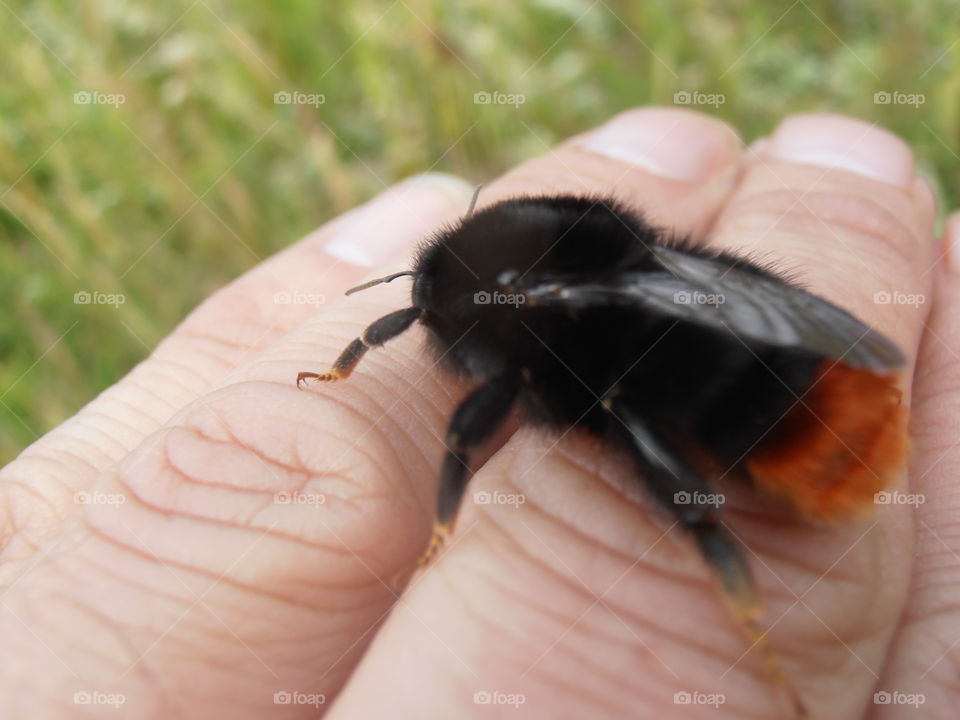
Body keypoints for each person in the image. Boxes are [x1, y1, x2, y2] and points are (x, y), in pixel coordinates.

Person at [0, 108, 953, 719]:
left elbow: (466, 422)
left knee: (630, 414)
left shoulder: (526, 319)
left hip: (787, 426)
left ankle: (753, 625)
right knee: (636, 392)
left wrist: (440, 528)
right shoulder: (598, 258)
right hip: (810, 370)